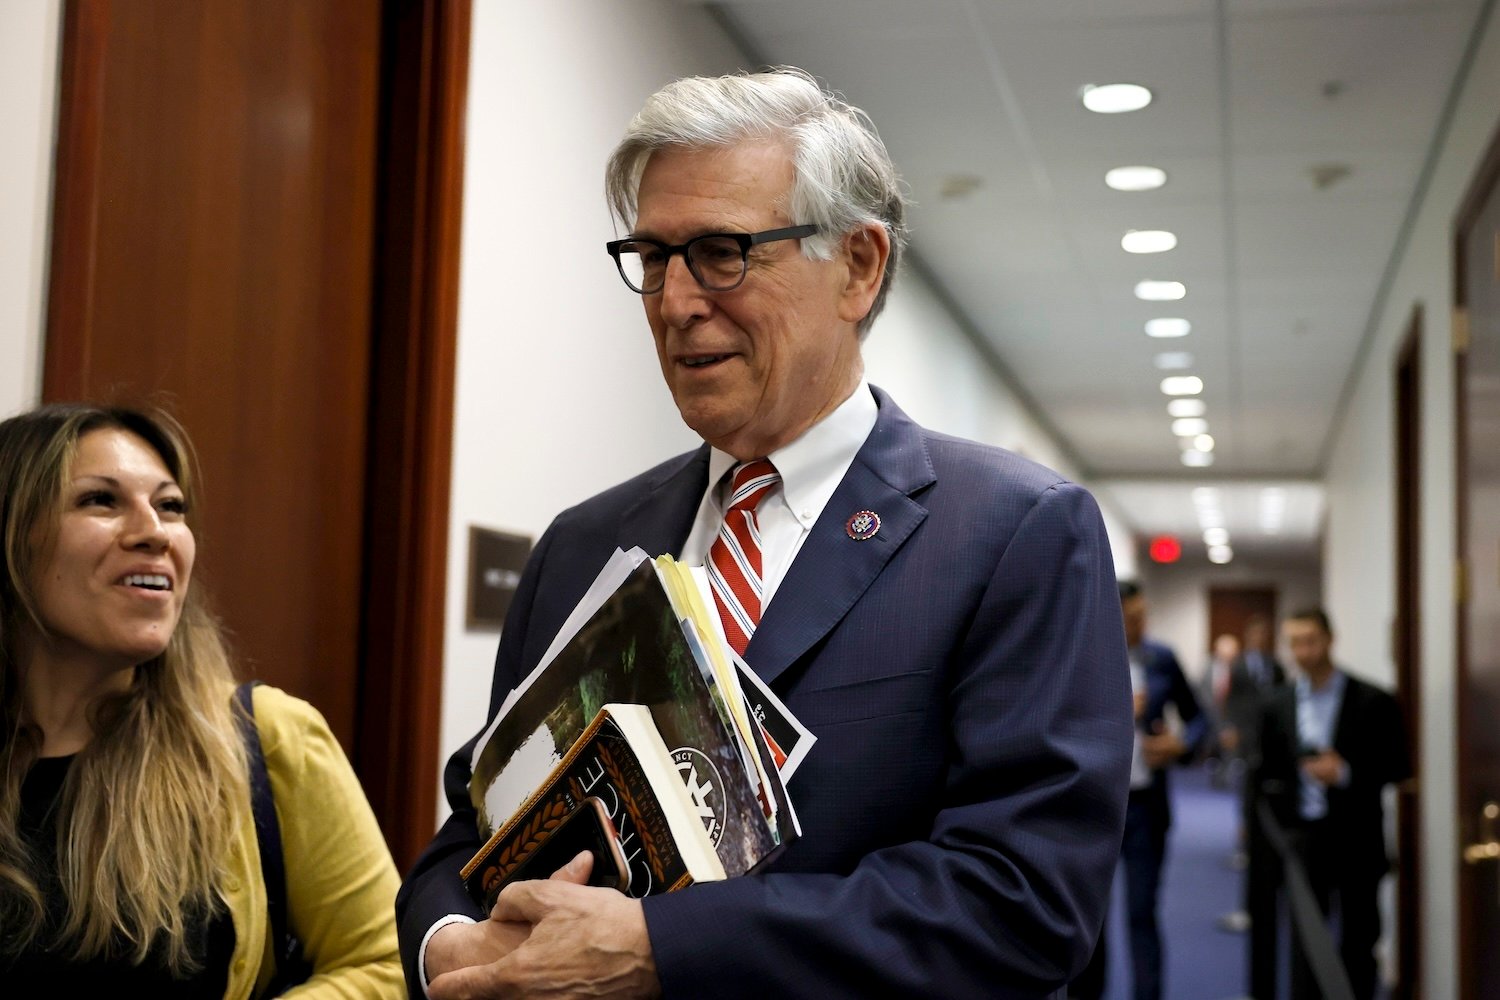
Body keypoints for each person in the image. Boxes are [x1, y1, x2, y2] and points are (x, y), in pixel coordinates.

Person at [397, 67, 1132, 999]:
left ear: (858, 267)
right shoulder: (584, 546)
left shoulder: (1013, 535)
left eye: (719, 252)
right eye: (653, 258)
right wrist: (448, 945)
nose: (675, 302)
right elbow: (474, 827)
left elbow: (1022, 903)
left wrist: (665, 947)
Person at [0, 404, 404, 998]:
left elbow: (385, 963)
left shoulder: (266, 738)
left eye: (170, 506)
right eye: (100, 501)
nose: (155, 532)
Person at [1247, 608, 1410, 1000]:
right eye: (1295, 643)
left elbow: (1398, 766)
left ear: (1329, 640)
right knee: (1305, 939)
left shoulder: (1373, 700)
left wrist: (1346, 773)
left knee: (1359, 939)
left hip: (1357, 835)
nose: (1303, 652)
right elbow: (1265, 771)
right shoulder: (1277, 704)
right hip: (1302, 837)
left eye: (1310, 641)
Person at [1075, 581, 1207, 1000]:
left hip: (1146, 807)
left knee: (1141, 912)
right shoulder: (1083, 656)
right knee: (1089, 920)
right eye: (1131, 618)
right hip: (1093, 808)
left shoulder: (1161, 658)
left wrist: (1181, 744)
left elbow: (1198, 718)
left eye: (1142, 616)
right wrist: (1114, 709)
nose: (1139, 625)